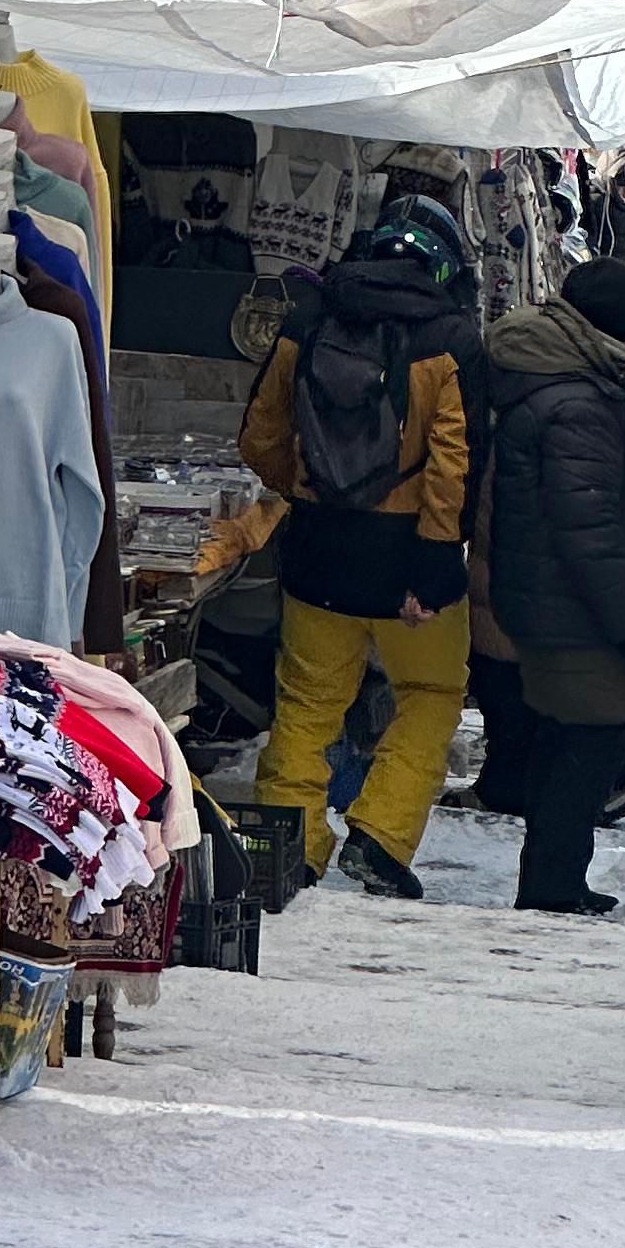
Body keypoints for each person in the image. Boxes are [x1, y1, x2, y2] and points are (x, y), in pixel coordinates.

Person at [242, 190, 479, 897]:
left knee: (308, 704)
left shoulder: (311, 317)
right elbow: (454, 463)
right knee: (431, 692)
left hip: (319, 547)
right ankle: (379, 836)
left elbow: (260, 436)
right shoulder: (451, 337)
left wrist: (309, 488)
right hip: (411, 555)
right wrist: (436, 563)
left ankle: (290, 847)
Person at [483, 254, 625, 917]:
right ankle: (553, 888)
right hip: (580, 611)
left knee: (572, 739)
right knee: (587, 744)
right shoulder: (581, 400)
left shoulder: (572, 380)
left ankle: (556, 880)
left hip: (557, 602)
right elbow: (586, 527)